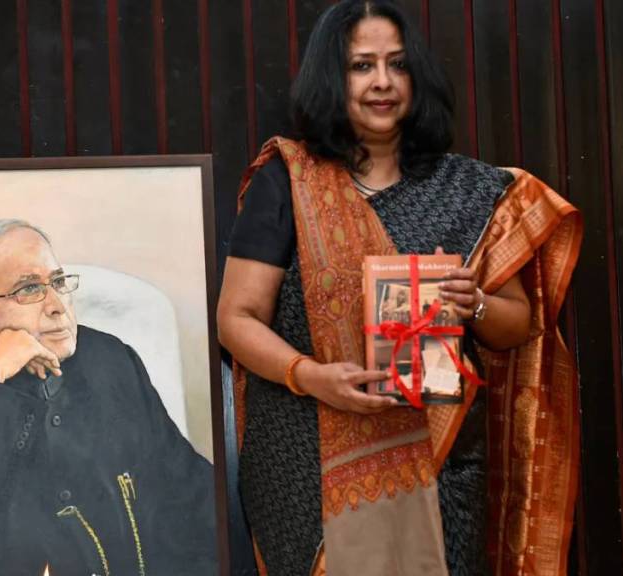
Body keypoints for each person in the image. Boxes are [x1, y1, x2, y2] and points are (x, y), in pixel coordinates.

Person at [216, 2, 582, 575]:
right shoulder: (288, 180)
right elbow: (236, 319)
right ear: (332, 80)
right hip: (305, 458)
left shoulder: (469, 189)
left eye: (398, 65)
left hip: (439, 462)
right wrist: (312, 377)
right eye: (362, 66)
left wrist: (475, 303)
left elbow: (516, 325)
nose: (382, 82)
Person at [0, 219, 217, 576]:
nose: (57, 305)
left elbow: (192, 495)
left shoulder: (112, 360)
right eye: (28, 289)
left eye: (58, 282)